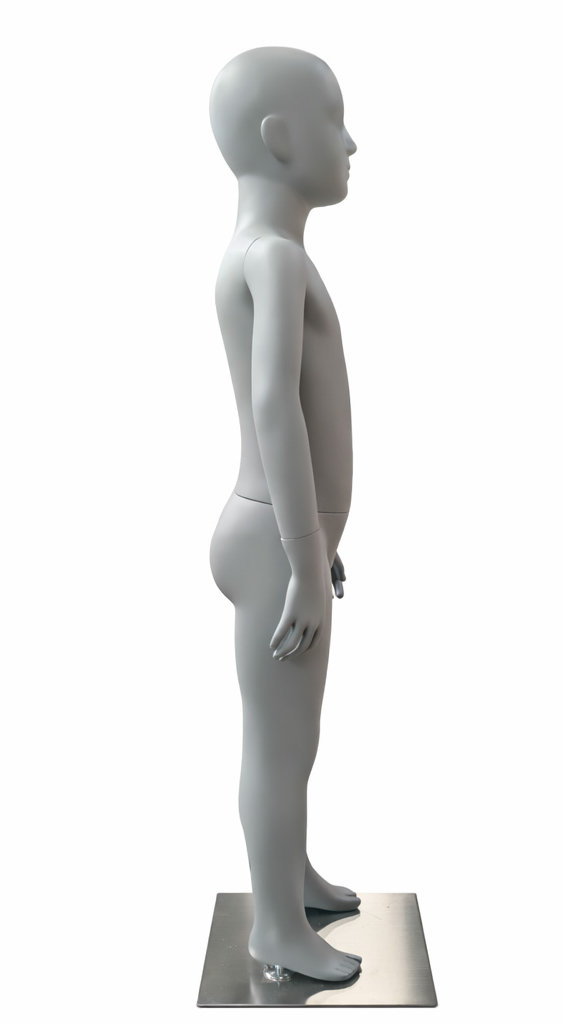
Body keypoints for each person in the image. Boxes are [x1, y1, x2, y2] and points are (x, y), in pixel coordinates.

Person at [208, 47, 362, 983]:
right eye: (333, 119)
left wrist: (318, 544)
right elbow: (276, 408)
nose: (352, 142)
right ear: (278, 137)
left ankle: (289, 876)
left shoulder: (268, 254)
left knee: (294, 740)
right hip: (274, 541)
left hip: (283, 534)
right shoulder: (272, 257)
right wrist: (304, 558)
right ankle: (274, 927)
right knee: (278, 742)